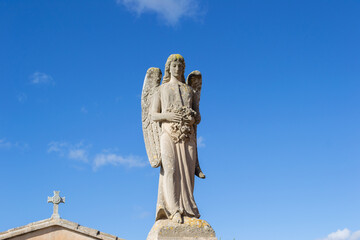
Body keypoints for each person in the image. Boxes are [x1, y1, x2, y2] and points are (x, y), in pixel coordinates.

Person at [150, 54, 200, 224]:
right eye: (174, 66)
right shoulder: (161, 89)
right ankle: (173, 210)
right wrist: (169, 115)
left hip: (187, 136)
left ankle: (188, 208)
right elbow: (153, 115)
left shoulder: (189, 91)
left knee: (187, 173)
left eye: (180, 66)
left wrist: (192, 117)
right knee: (170, 170)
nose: (177, 69)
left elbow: (198, 117)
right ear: (169, 68)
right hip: (168, 134)